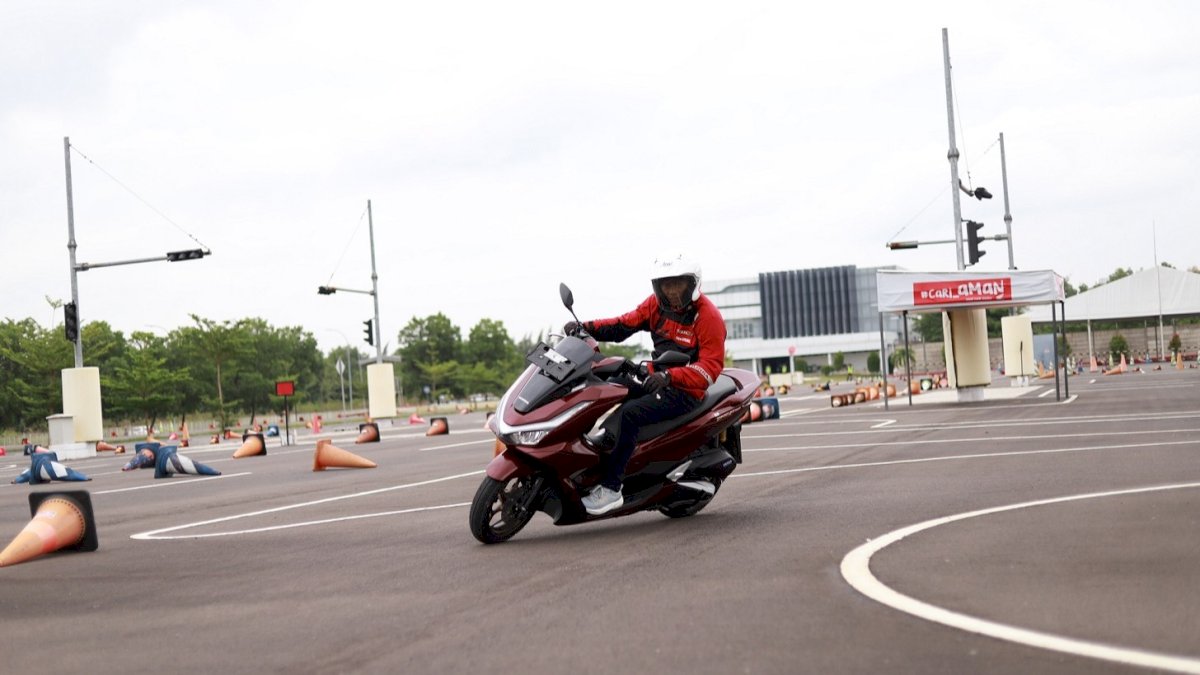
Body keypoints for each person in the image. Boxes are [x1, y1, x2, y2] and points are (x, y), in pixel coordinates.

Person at [564, 254, 726, 515]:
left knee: (631, 414)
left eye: (678, 284)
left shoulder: (707, 317)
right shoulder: (655, 305)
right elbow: (623, 324)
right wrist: (586, 327)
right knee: (605, 386)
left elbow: (710, 368)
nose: (671, 291)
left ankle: (611, 489)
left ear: (692, 284)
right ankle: (591, 456)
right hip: (656, 378)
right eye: (665, 285)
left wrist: (671, 377)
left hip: (685, 390)